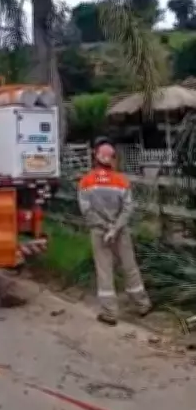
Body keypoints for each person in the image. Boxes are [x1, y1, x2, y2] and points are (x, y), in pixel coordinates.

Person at [78, 136, 151, 326]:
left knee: (104, 271)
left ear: (95, 156)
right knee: (130, 267)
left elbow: (86, 210)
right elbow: (128, 208)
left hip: (99, 232)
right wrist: (115, 227)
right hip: (121, 231)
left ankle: (109, 313)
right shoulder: (121, 180)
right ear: (112, 158)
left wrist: (105, 227)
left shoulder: (86, 181)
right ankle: (142, 305)